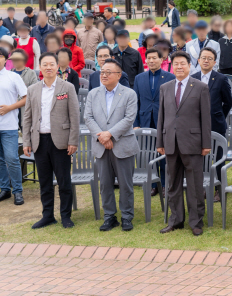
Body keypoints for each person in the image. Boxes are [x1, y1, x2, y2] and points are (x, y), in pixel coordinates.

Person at [156, 51, 212, 236]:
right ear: (171, 66)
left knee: (195, 185)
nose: (179, 66)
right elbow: (162, 117)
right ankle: (176, 220)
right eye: (176, 63)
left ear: (189, 66)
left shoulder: (200, 87)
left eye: (182, 63)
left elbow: (205, 118)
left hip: (193, 143)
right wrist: (160, 141)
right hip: (170, 142)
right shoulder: (165, 87)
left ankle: (196, 221)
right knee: (172, 184)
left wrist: (206, 143)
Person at [22, 52, 79, 229]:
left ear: (57, 66)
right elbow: (27, 118)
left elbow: (74, 116)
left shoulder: (67, 87)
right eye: (44, 64)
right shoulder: (32, 90)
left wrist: (73, 140)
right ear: (40, 67)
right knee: (45, 182)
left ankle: (66, 216)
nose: (48, 67)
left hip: (61, 141)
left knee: (64, 182)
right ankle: (47, 215)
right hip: (39, 141)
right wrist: (26, 142)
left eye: (51, 64)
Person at [84, 58, 139, 232]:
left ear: (118, 75)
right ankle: (109, 216)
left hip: (123, 145)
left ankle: (126, 216)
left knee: (125, 184)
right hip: (101, 146)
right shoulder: (93, 93)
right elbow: (88, 118)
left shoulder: (129, 94)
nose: (104, 75)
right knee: (105, 184)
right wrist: (102, 137)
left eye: (108, 72)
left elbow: (129, 118)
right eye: (102, 72)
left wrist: (110, 134)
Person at [191, 47, 232, 202]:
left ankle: (219, 190)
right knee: (199, 158)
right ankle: (201, 188)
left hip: (216, 124)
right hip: (196, 125)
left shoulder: (221, 79)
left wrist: (218, 114)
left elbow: (228, 102)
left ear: (214, 62)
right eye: (203, 58)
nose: (206, 60)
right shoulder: (193, 78)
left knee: (218, 158)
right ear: (198, 60)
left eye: (209, 58)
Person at [132, 47, 175, 196]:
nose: (151, 61)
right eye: (148, 58)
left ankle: (164, 184)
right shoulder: (139, 78)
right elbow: (135, 102)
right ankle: (152, 184)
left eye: (154, 58)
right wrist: (135, 123)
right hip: (144, 120)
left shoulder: (170, 77)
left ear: (161, 59)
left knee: (163, 153)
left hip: (163, 121)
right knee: (148, 154)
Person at [0, 46, 27, 205]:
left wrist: (10, 107)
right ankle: (5, 189)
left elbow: (26, 97)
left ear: (5, 59)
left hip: (9, 125)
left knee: (11, 158)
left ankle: (17, 190)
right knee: (0, 159)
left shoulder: (13, 77)